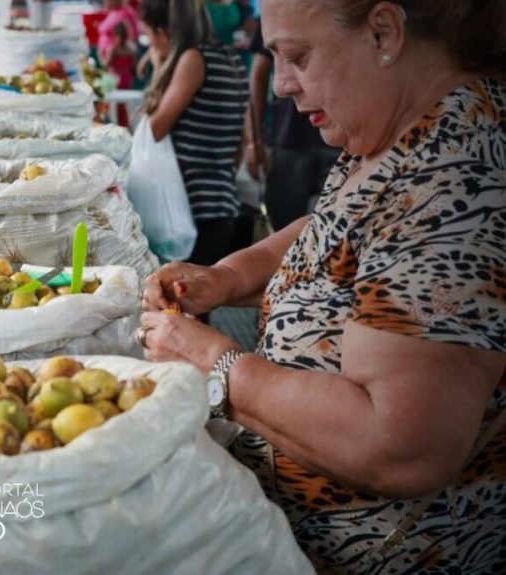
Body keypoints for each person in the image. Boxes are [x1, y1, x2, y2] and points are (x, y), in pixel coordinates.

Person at [137, 0, 506, 572]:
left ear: (384, 32)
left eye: (298, 57)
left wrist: (213, 360)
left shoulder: (455, 176)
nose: (282, 86)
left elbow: (399, 446)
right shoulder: (398, 126)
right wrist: (227, 277)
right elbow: (333, 228)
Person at [136, 0, 248, 266]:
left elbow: (155, 128)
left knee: (176, 306)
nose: (151, 46)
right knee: (192, 306)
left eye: (150, 39)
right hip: (220, 206)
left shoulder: (193, 59)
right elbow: (238, 146)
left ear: (163, 33)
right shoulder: (231, 58)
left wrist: (159, 66)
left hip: (191, 214)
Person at [243, 20, 338, 231]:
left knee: (336, 227)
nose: (281, 85)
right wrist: (253, 140)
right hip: (290, 137)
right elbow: (258, 72)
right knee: (282, 225)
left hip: (341, 137)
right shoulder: (278, 10)